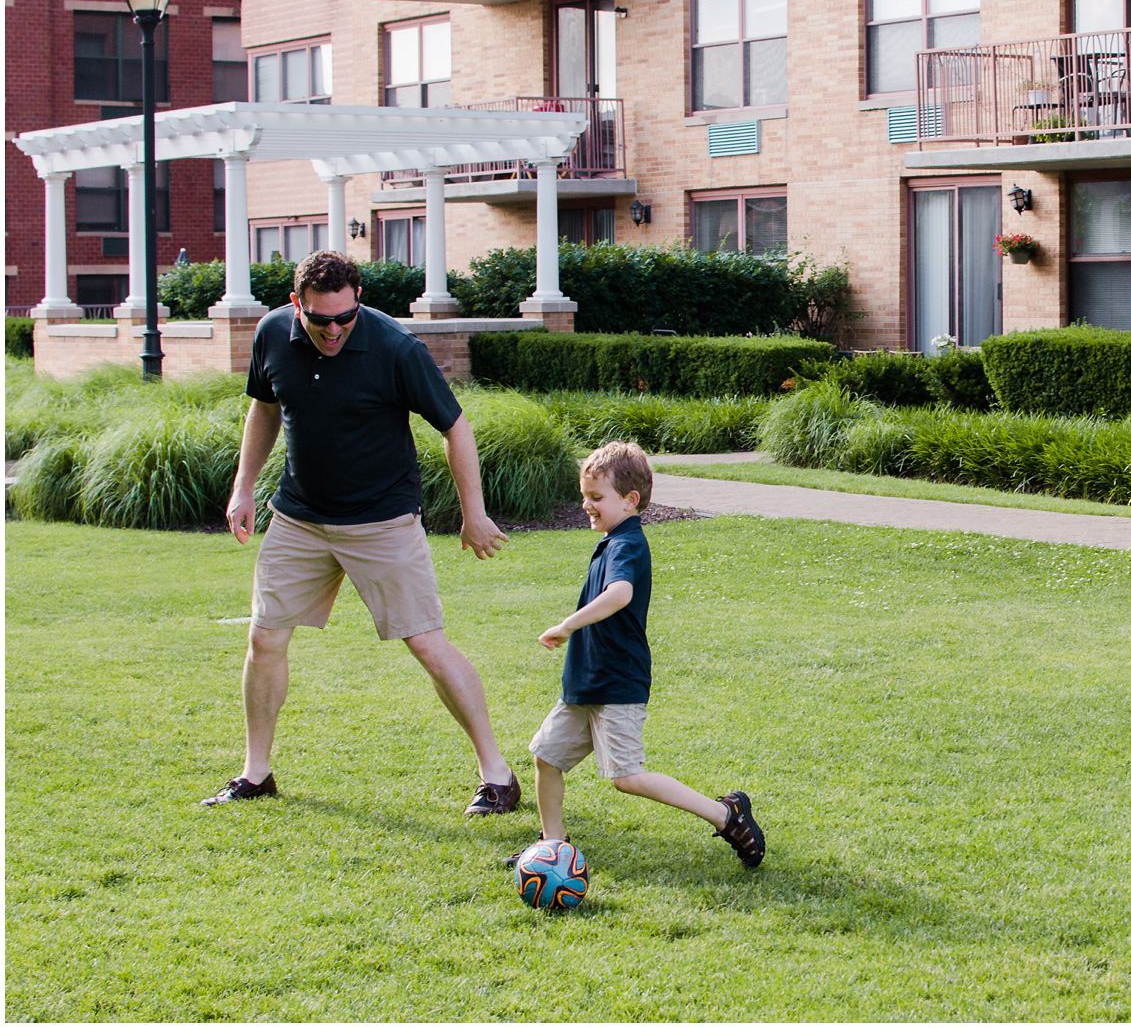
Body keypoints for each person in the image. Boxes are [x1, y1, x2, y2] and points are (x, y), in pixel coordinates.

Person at [203, 250, 522, 816]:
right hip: (300, 517)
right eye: (321, 319)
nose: (334, 331)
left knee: (426, 643)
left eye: (345, 318)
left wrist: (474, 513)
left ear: (358, 304)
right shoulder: (273, 333)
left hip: (382, 522)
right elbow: (265, 409)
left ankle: (497, 775)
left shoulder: (396, 349)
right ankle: (256, 772)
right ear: (296, 305)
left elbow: (455, 426)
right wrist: (244, 485)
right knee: (265, 637)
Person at [506, 441, 765, 869]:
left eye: (596, 497)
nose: (586, 504)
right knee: (546, 757)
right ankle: (553, 846)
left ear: (630, 501)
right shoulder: (612, 539)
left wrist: (568, 625)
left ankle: (727, 815)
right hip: (586, 682)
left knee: (627, 777)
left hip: (616, 683)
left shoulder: (627, 543)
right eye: (584, 495)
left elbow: (620, 593)